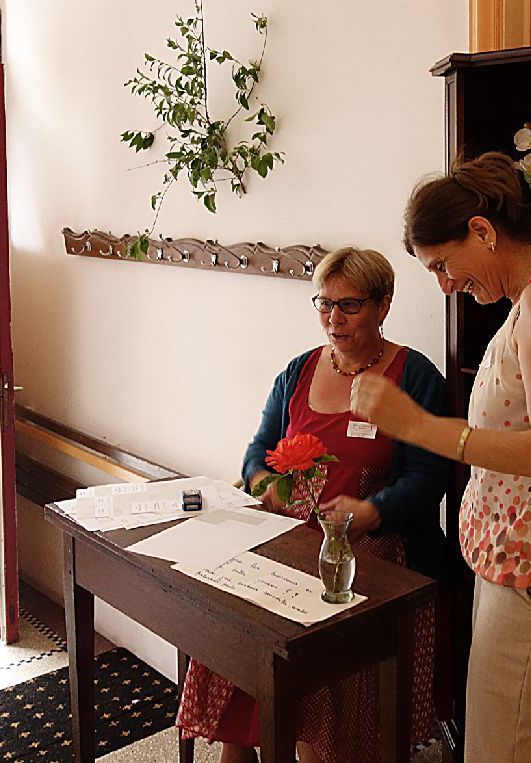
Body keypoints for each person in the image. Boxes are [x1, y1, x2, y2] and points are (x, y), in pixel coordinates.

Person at [349, 152, 531, 762]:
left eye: (442, 264)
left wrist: (419, 427)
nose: (445, 283)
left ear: (482, 230)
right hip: (526, 566)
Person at [175, 246, 450, 763]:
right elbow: (258, 451)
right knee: (242, 656)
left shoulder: (414, 377)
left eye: (350, 305)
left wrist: (373, 512)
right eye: (324, 303)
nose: (333, 318)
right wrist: (265, 484)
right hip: (290, 543)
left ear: (383, 305)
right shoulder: (299, 370)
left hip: (371, 552)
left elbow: (430, 477)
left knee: (320, 709)